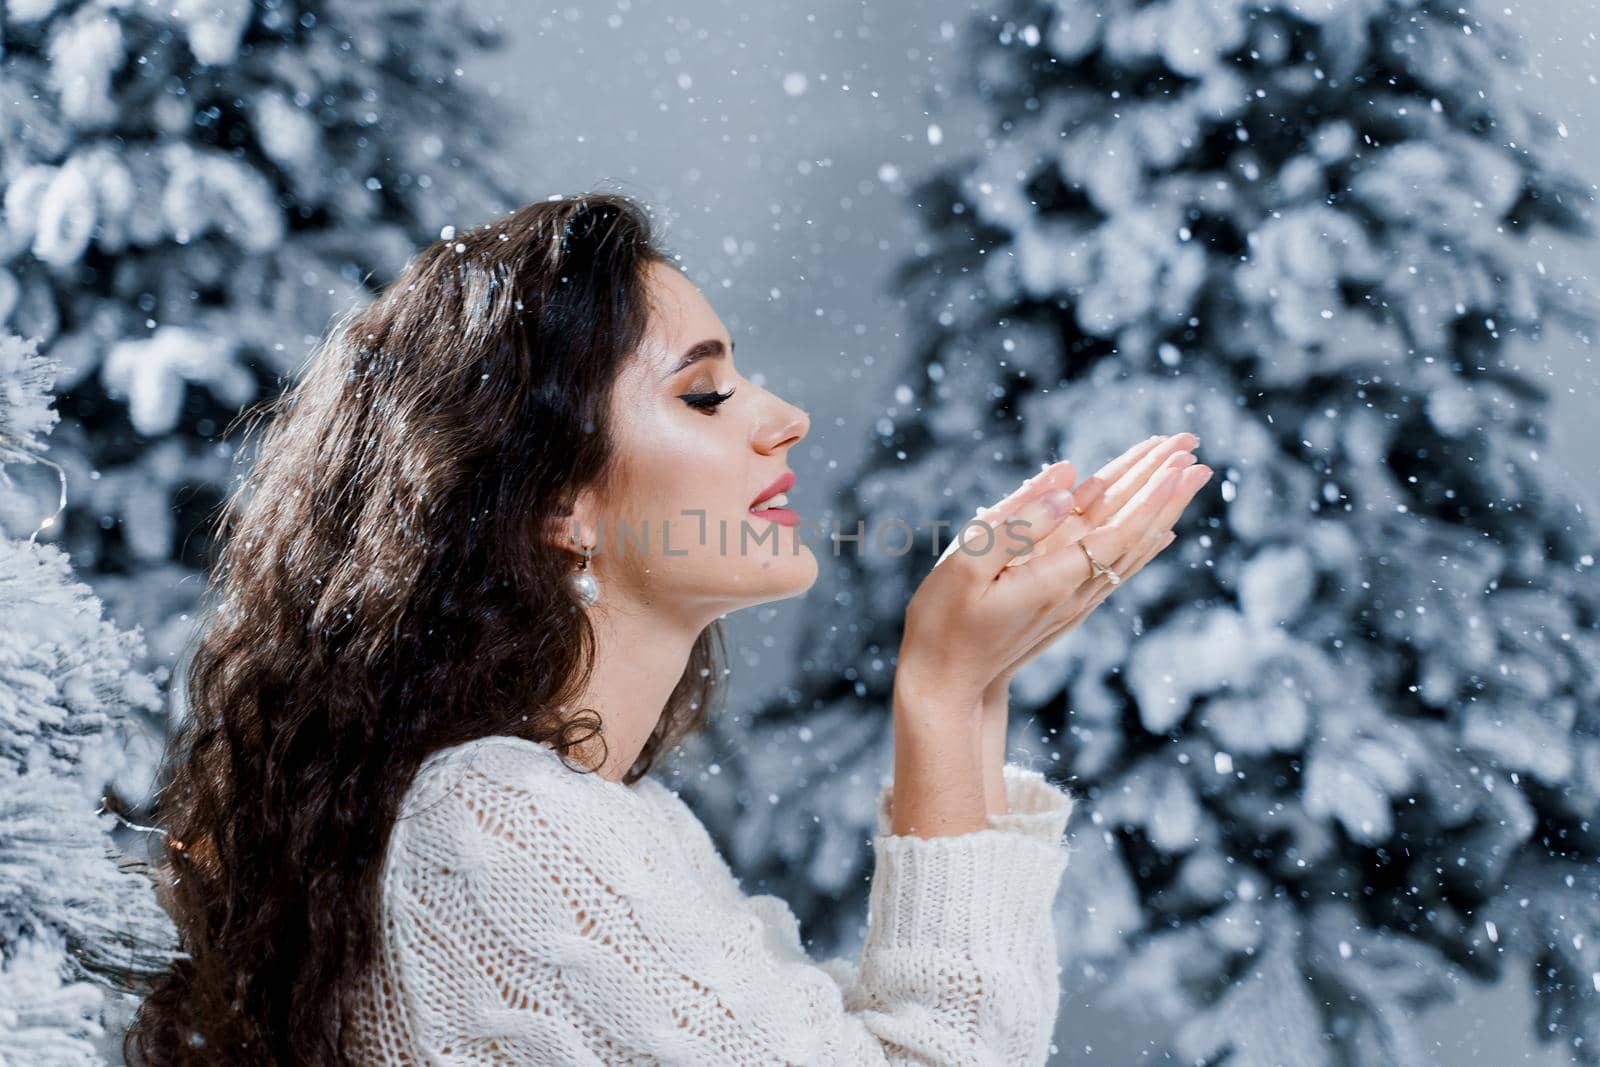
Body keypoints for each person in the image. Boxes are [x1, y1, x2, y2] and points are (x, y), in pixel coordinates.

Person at [122, 192, 1211, 1065]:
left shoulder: (598, 821)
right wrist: (939, 686)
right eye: (704, 395)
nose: (784, 419)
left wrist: (976, 682)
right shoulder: (493, 825)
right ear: (556, 502)